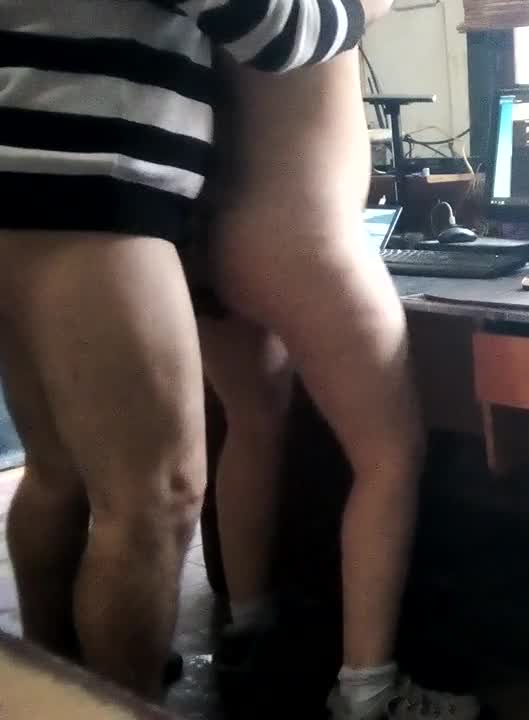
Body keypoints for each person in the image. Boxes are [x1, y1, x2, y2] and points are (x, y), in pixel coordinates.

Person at [0, 0, 387, 700]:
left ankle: (59, 699)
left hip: (29, 170)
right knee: (156, 498)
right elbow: (277, 31)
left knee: (58, 472)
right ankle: (115, 705)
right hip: (92, 180)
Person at [198, 53, 480, 719]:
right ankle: (368, 691)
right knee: (390, 455)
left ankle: (252, 635)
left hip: (205, 230)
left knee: (251, 421)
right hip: (303, 229)